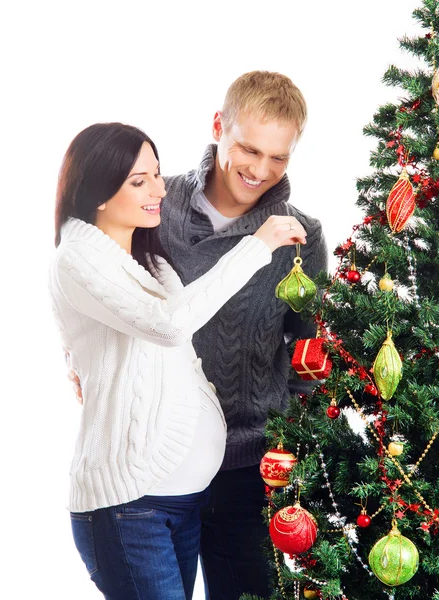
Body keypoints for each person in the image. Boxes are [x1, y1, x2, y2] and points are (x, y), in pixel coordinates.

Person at [49, 122, 307, 600]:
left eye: (158, 175)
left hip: (187, 499)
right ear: (99, 193)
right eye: (138, 181)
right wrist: (258, 246)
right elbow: (168, 325)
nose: (158, 190)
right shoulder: (78, 258)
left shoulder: (148, 259)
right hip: (132, 506)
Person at [157, 71, 328, 599]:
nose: (259, 170)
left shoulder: (302, 235)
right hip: (162, 460)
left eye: (278, 157)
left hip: (251, 468)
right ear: (218, 127)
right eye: (248, 149)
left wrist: (293, 439)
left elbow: (310, 350)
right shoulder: (155, 209)